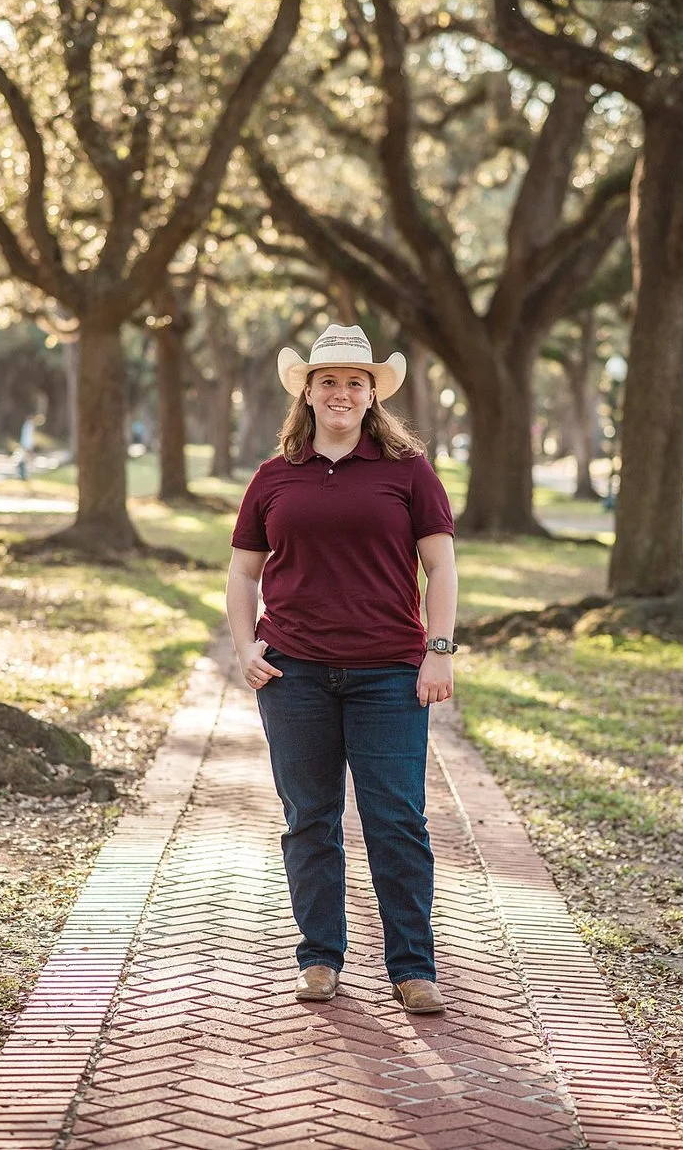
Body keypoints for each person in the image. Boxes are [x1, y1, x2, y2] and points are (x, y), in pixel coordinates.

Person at [227, 324, 458, 1015]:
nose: (341, 390)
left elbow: (441, 564)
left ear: (371, 394)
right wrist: (245, 646)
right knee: (310, 817)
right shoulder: (273, 477)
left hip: (389, 673)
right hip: (293, 674)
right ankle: (320, 958)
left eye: (354, 380)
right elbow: (243, 573)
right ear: (307, 389)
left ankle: (413, 967)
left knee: (396, 821)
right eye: (328, 379)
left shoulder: (408, 470)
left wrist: (437, 649)